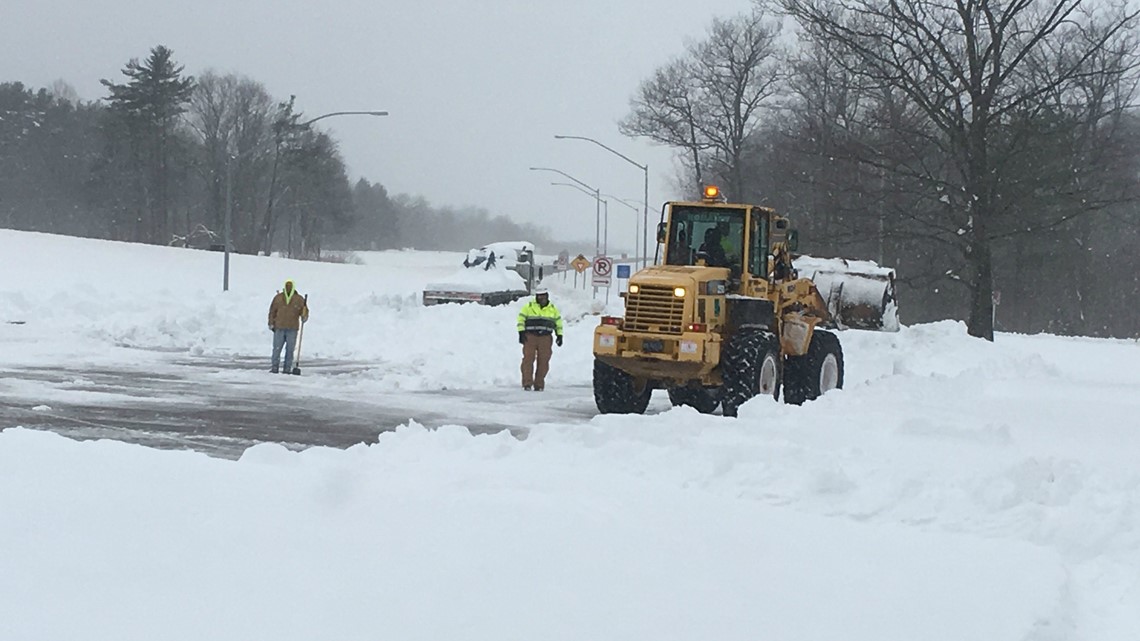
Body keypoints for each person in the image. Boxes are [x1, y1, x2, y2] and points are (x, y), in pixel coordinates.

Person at [516, 286, 563, 391]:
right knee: (528, 359)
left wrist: (559, 335)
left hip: (545, 338)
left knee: (544, 361)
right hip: (530, 337)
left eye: (544, 296)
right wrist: (521, 332)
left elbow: (558, 323)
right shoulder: (528, 307)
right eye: (540, 296)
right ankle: (527, 383)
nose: (542, 298)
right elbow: (521, 319)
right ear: (536, 297)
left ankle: (539, 384)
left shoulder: (553, 309)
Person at [267, 279, 309, 374]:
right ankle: (274, 368)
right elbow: (272, 311)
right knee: (277, 349)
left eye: (290, 286)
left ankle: (287, 369)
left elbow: (304, 313)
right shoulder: (278, 298)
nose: (288, 288)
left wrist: (304, 315)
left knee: (290, 350)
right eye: (287, 286)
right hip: (279, 327)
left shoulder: (299, 299)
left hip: (292, 328)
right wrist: (271, 323)